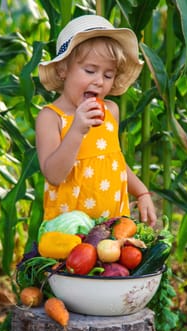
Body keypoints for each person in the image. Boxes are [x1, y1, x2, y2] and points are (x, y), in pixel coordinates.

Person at [36, 14, 156, 227]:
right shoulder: (51, 117)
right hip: (69, 233)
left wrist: (141, 192)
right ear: (63, 69)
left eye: (108, 75)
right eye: (90, 70)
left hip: (112, 227)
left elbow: (114, 161)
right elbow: (54, 175)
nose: (99, 81)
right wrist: (77, 130)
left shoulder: (110, 110)